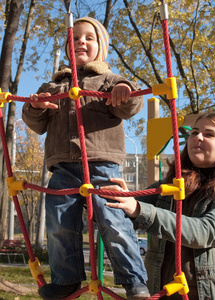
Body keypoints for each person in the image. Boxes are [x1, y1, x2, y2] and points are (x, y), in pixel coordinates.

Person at [22, 17, 150, 300]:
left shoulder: (110, 80)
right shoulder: (54, 86)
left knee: (114, 220)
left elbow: (131, 105)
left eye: (89, 38)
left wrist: (124, 92)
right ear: (68, 48)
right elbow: (37, 123)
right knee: (59, 223)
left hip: (102, 164)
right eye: (74, 39)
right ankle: (66, 279)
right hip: (63, 166)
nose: (81, 42)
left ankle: (134, 280)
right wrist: (35, 106)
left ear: (100, 47)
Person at [101, 112, 215, 299]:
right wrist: (106, 199)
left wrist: (139, 209)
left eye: (209, 134)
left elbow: (207, 232)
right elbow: (128, 211)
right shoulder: (171, 185)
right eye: (194, 132)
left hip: (205, 294)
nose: (198, 137)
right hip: (160, 292)